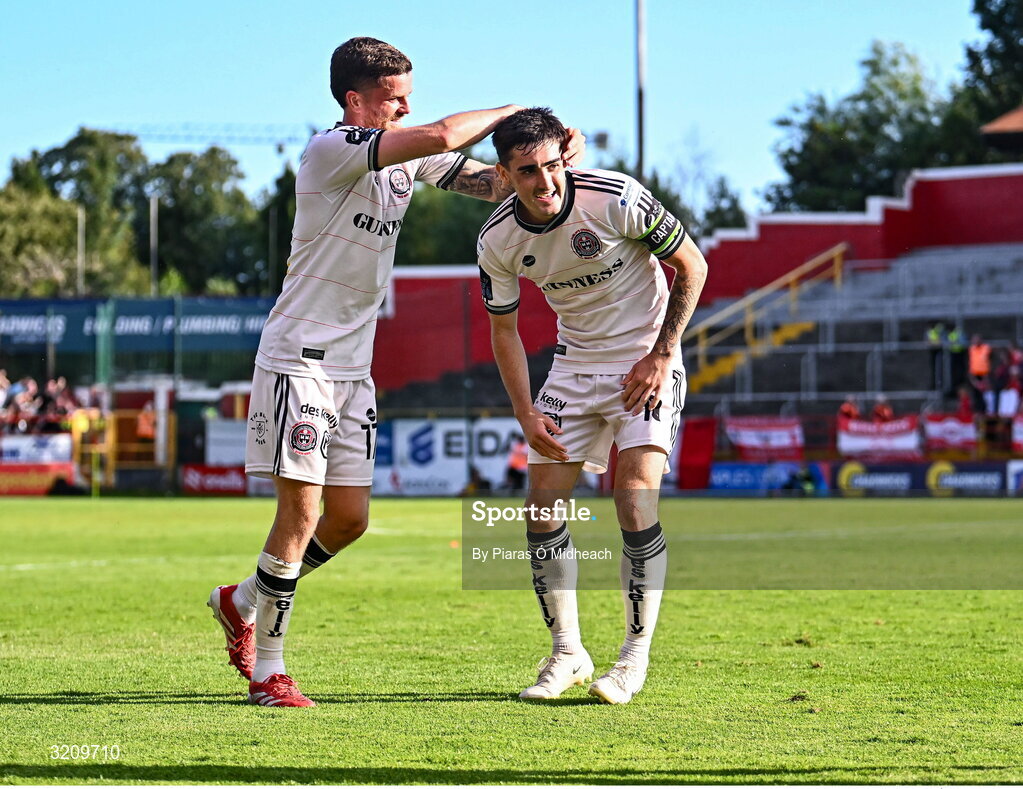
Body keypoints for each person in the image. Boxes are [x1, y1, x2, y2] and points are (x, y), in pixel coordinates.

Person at [207, 40, 585, 708]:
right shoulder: (331, 149)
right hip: (299, 358)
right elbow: (441, 131)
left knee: (348, 520)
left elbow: (494, 183)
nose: (406, 106)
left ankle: (240, 600)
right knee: (302, 512)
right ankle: (269, 670)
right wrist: (519, 110)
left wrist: (548, 156)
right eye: (393, 96)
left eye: (407, 94)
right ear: (354, 100)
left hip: (354, 368)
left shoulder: (406, 158)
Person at [477, 108, 708, 705]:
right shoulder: (497, 239)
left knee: (633, 498)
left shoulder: (614, 198)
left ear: (565, 159)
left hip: (644, 358)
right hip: (573, 367)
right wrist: (526, 411)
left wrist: (663, 354)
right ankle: (568, 653)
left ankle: (632, 659)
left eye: (552, 166)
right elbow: (505, 333)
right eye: (527, 171)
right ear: (506, 174)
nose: (545, 182)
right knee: (540, 509)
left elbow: (692, 266)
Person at [925, 321, 945, 392]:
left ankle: (940, 384)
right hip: (933, 351)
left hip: (938, 351)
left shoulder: (939, 331)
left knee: (940, 367)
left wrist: (934, 344)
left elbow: (940, 342)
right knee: (934, 368)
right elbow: (928, 342)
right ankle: (935, 384)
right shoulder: (930, 332)